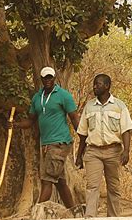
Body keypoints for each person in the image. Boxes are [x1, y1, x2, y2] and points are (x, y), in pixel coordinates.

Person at [10, 67, 80, 208]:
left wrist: (84, 140)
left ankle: (38, 212)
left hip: (60, 143)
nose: (48, 80)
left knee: (47, 180)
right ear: (41, 79)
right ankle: (73, 211)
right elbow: (31, 121)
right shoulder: (37, 97)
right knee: (60, 182)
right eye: (45, 78)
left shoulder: (63, 95)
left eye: (50, 77)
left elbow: (74, 118)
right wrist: (15, 125)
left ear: (54, 78)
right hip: (46, 144)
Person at [75, 74, 132, 217]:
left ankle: (113, 219)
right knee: (92, 186)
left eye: (99, 84)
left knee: (113, 186)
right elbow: (83, 134)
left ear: (107, 86)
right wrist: (79, 156)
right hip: (93, 151)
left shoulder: (119, 106)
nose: (95, 86)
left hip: (113, 151)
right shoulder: (89, 107)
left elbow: (126, 130)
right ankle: (90, 217)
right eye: (94, 84)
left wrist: (126, 151)